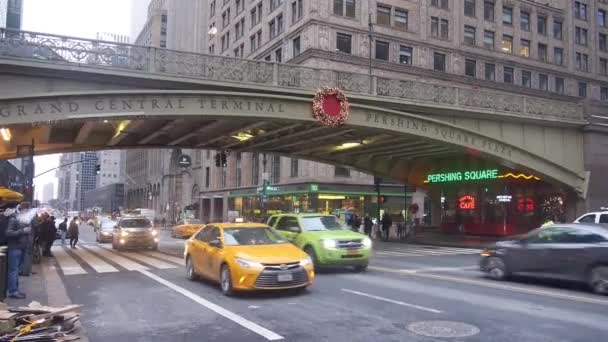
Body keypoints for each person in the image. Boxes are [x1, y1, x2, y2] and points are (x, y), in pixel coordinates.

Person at [6, 207, 31, 298]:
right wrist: (22, 231)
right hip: (15, 248)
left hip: (20, 248)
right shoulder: (13, 220)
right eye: (26, 211)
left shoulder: (22, 221)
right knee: (13, 270)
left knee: (16, 270)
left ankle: (15, 290)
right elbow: (8, 233)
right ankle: (13, 291)